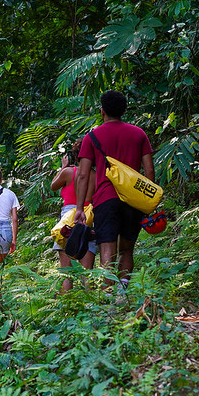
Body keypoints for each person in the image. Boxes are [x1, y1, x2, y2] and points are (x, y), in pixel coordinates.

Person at [74, 90, 154, 290]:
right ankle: (122, 290)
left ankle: (109, 294)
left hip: (105, 199)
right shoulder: (139, 134)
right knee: (127, 250)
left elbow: (83, 175)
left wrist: (79, 208)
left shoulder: (92, 137)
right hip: (133, 200)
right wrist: (146, 202)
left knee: (107, 249)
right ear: (123, 111)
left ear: (102, 111)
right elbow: (150, 170)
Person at [50, 138, 97, 292]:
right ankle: (92, 308)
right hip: (89, 217)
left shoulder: (69, 172)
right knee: (87, 272)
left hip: (68, 218)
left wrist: (62, 168)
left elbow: (53, 186)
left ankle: (66, 309)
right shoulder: (97, 176)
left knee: (67, 272)